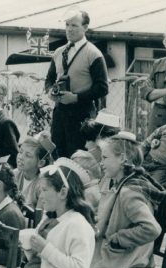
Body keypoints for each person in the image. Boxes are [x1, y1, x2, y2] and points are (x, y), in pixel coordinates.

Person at [77, 132, 165, 268]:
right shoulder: (121, 184)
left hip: (132, 259)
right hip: (121, 252)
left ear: (123, 159)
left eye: (106, 158)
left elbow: (152, 228)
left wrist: (118, 239)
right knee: (73, 263)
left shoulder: (129, 192)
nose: (101, 162)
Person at [45, 9, 109, 157]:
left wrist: (76, 97)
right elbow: (49, 79)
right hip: (60, 113)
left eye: (74, 25)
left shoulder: (94, 54)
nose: (69, 29)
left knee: (77, 156)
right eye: (67, 25)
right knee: (58, 155)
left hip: (81, 114)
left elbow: (102, 88)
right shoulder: (59, 52)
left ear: (85, 27)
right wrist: (50, 91)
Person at [14, 135, 55, 209]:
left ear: (41, 163)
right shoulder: (14, 174)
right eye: (20, 152)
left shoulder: (42, 185)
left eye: (28, 155)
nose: (20, 157)